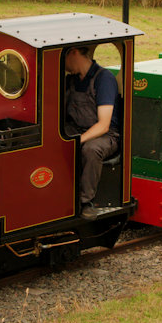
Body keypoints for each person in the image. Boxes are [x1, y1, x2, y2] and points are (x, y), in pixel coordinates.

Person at [63, 45, 121, 220]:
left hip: (105, 134)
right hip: (77, 127)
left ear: (73, 52)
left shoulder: (104, 79)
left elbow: (103, 124)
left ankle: (86, 201)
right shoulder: (71, 80)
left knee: (90, 149)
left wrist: (76, 140)